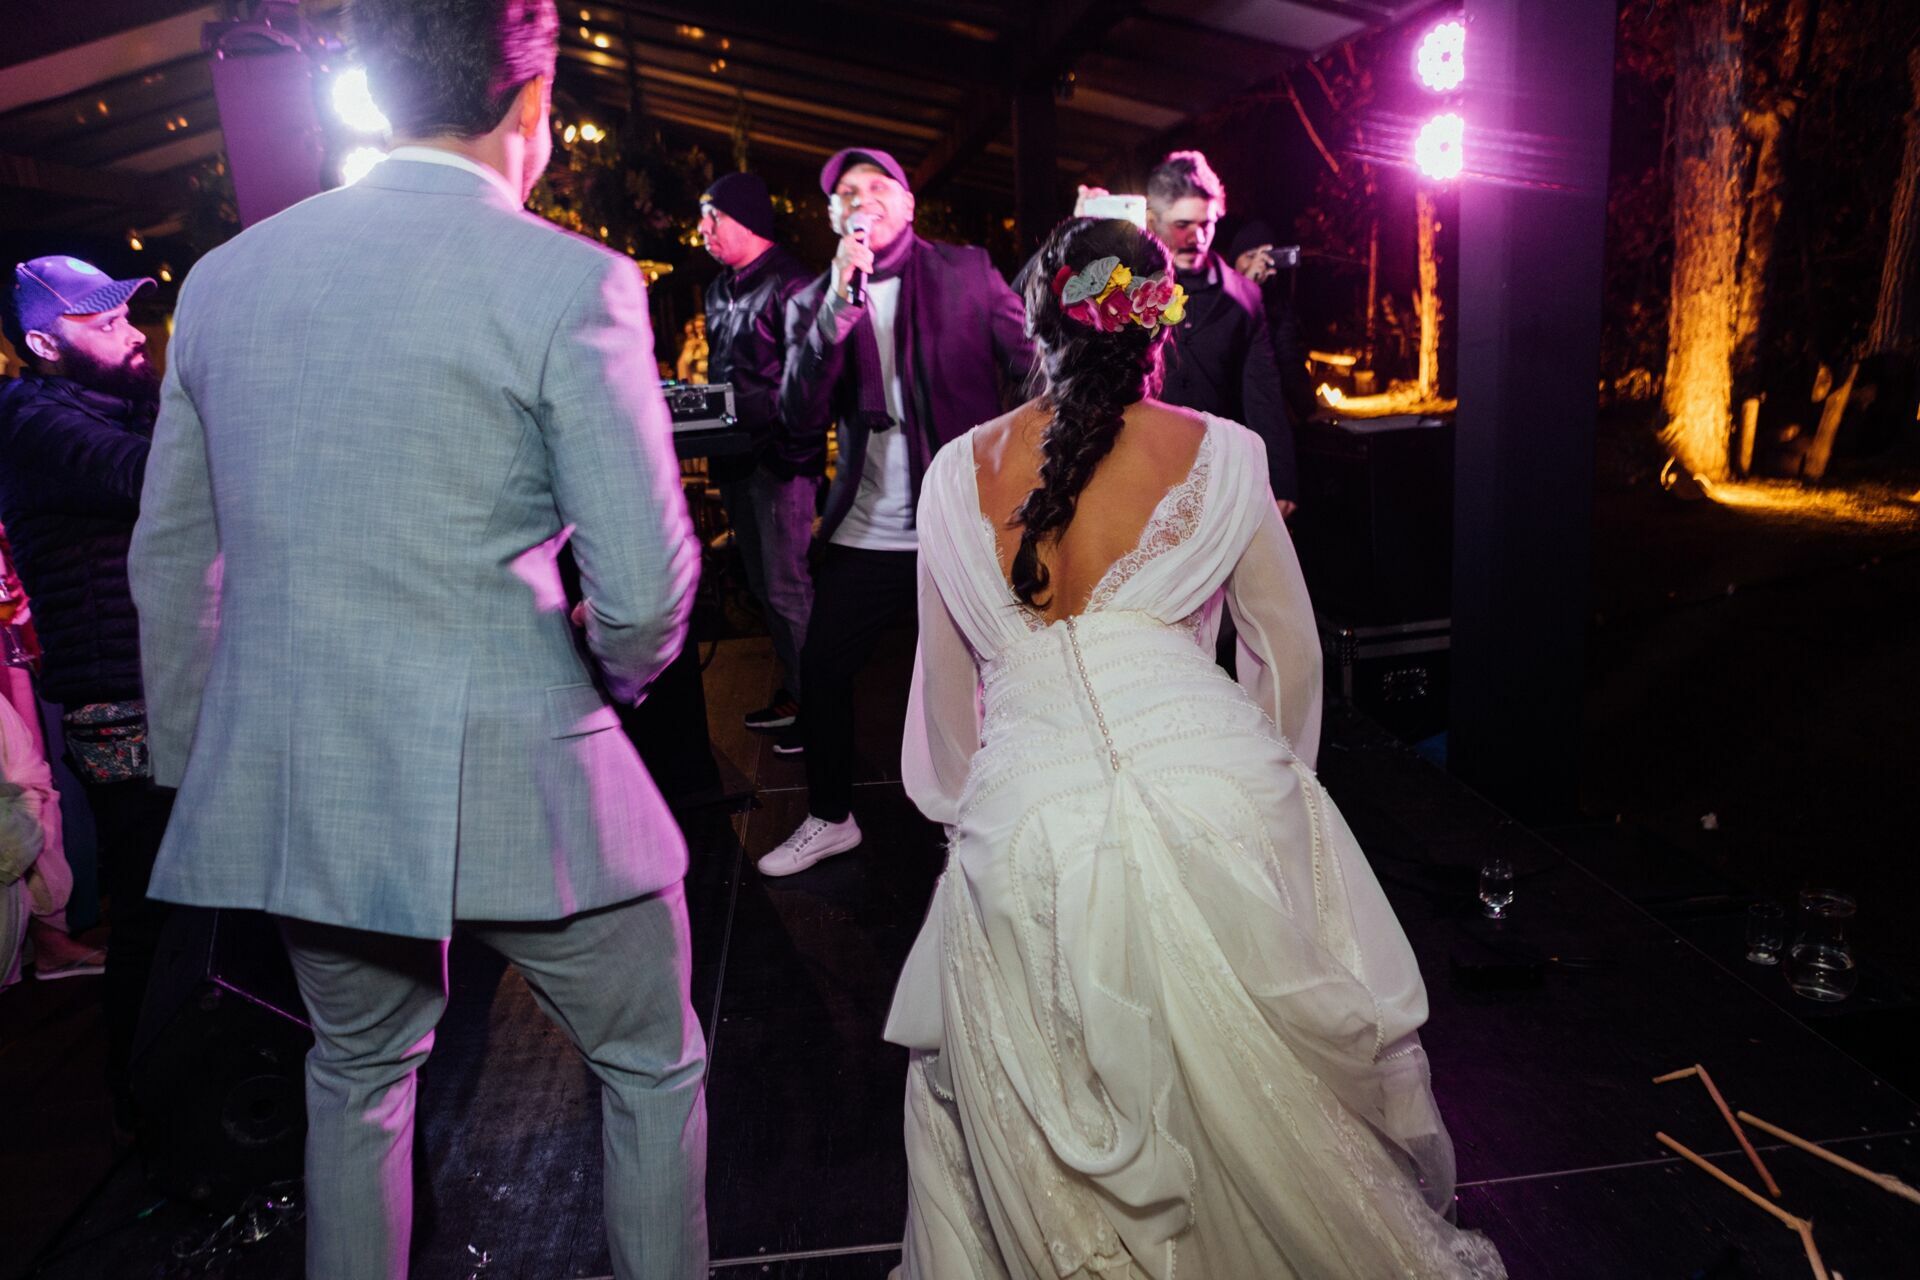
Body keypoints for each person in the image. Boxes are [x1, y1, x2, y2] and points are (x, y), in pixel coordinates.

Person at [127, 2, 707, 1276]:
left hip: (313, 783)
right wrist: (609, 682)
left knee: (355, 1073)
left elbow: (173, 559)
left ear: (377, 97)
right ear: (532, 102)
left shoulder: (225, 282)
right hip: (530, 767)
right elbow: (644, 589)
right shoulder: (572, 279)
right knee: (649, 1065)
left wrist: (207, 764)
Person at [883, 217, 1505, 1278]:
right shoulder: (1225, 453)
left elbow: (946, 697)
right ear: (1159, 323)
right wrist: (1274, 785)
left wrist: (964, 805)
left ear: (1038, 319)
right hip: (1211, 781)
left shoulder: (950, 474)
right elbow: (1288, 652)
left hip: (1028, 818)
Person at [761, 145, 1032, 876]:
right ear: (833, 217)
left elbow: (1033, 366)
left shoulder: (965, 272)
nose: (863, 198)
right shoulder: (813, 302)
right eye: (848, 191)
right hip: (870, 527)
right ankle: (829, 817)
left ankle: (998, 816)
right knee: (822, 669)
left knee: (992, 677)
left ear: (908, 204)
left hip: (963, 521)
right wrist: (834, 315)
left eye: (879, 185)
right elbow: (795, 420)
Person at [0, 255, 171, 1114]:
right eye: (103, 324)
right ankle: (142, 1102)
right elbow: (155, 479)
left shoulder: (121, 406)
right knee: (152, 908)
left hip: (161, 689)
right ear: (43, 345)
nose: (132, 333)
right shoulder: (33, 421)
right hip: (120, 703)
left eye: (128, 317)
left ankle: (174, 1084)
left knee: (190, 904)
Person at [698, 171, 821, 746]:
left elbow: (811, 380)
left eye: (713, 217)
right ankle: (798, 692)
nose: (703, 230)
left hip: (780, 460)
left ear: (746, 219)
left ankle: (821, 712)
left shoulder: (792, 282)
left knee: (786, 585)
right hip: (734, 458)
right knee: (761, 582)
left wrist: (778, 437)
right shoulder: (718, 288)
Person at [1143, 150, 1301, 517]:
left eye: (1207, 224)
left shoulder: (1243, 296)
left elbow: (1262, 392)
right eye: (1183, 224)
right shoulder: (1127, 284)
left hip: (1214, 479)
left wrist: (1281, 478)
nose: (1196, 238)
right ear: (1153, 221)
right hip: (1142, 473)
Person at [1226, 217, 1320, 433]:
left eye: (1266, 257)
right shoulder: (1217, 301)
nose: (1258, 264)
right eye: (1251, 256)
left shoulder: (1278, 308)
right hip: (1222, 415)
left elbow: (1290, 361)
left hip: (1260, 418)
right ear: (1234, 261)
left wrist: (1306, 407)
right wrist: (1246, 288)